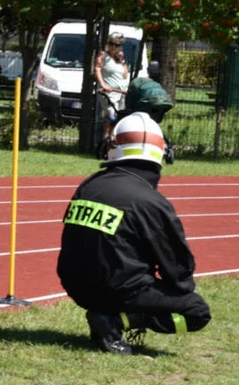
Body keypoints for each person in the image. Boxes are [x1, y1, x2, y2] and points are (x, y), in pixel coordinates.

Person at [56, 112, 211, 355]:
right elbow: (177, 265)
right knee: (196, 312)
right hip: (119, 290)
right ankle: (116, 321)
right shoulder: (151, 202)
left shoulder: (89, 184)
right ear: (164, 154)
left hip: (74, 285)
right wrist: (179, 289)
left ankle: (108, 315)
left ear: (111, 148)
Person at [94, 31, 130, 149]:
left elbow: (125, 75)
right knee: (111, 116)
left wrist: (123, 61)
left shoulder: (120, 60)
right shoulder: (103, 55)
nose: (114, 47)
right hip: (108, 93)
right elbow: (97, 69)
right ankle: (106, 147)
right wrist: (103, 84)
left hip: (120, 93)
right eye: (111, 44)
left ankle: (112, 144)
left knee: (117, 119)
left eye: (117, 45)